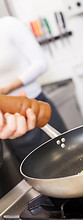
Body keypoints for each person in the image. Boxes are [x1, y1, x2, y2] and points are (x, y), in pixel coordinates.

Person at [0, 16, 67, 163]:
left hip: (35, 108)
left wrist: (7, 89)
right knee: (34, 173)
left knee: (67, 159)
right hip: (7, 121)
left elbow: (40, 63)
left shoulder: (8, 25)